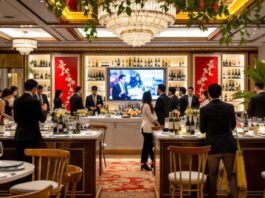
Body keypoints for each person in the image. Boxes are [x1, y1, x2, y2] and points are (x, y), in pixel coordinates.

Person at [199, 84, 237, 198]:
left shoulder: (204, 109)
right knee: (231, 174)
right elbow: (233, 126)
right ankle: (233, 195)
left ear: (209, 94)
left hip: (212, 146)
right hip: (228, 145)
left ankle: (212, 195)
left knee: (212, 174)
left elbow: (202, 129)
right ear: (220, 93)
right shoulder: (229, 107)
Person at [14, 79, 48, 160]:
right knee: (31, 163)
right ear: (34, 88)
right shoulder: (34, 101)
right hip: (31, 137)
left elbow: (15, 119)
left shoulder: (17, 100)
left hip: (19, 135)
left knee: (20, 162)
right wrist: (44, 109)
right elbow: (42, 119)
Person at [141, 91, 160, 171]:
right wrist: (158, 124)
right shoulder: (146, 105)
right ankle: (149, 162)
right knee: (148, 146)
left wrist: (156, 122)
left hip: (147, 127)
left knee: (147, 146)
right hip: (147, 128)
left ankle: (145, 162)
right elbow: (151, 117)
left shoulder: (147, 105)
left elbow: (153, 116)